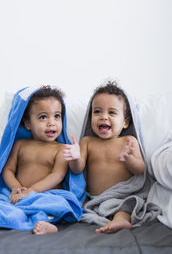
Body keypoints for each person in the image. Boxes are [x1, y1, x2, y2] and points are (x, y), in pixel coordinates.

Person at [63, 81, 146, 234]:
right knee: (73, 205)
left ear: (125, 122)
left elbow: (140, 169)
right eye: (97, 112)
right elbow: (77, 169)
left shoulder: (128, 142)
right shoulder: (87, 141)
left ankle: (121, 219)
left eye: (112, 112)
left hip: (120, 197)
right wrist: (74, 157)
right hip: (92, 199)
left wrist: (129, 159)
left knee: (129, 205)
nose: (103, 117)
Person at [2, 86, 69, 235]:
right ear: (27, 124)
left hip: (46, 195)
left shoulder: (61, 149)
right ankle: (4, 219)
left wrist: (31, 191)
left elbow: (58, 175)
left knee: (60, 203)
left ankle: (47, 224)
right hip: (19, 196)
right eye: (43, 117)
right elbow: (8, 170)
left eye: (57, 116)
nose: (51, 122)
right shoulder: (20, 145)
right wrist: (16, 188)